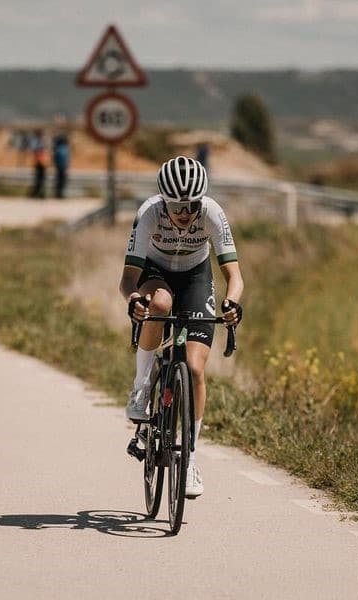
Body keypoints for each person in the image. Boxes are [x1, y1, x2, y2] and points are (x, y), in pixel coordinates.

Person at [119, 156, 244, 499]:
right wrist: (134, 299)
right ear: (164, 201)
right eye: (178, 206)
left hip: (195, 277)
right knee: (159, 304)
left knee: (194, 367)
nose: (186, 213)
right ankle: (142, 387)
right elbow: (128, 278)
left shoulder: (212, 213)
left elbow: (234, 275)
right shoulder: (149, 213)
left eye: (192, 205)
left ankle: (188, 459)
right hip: (155, 273)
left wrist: (232, 303)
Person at [28, 129, 47, 199]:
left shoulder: (38, 142)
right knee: (39, 179)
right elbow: (37, 151)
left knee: (40, 179)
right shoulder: (38, 142)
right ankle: (37, 194)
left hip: (40, 162)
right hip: (40, 163)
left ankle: (38, 194)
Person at [51, 132, 70, 199]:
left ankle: (59, 193)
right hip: (61, 167)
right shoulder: (62, 148)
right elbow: (65, 158)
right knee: (61, 181)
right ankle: (59, 194)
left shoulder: (59, 148)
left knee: (60, 181)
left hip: (60, 167)